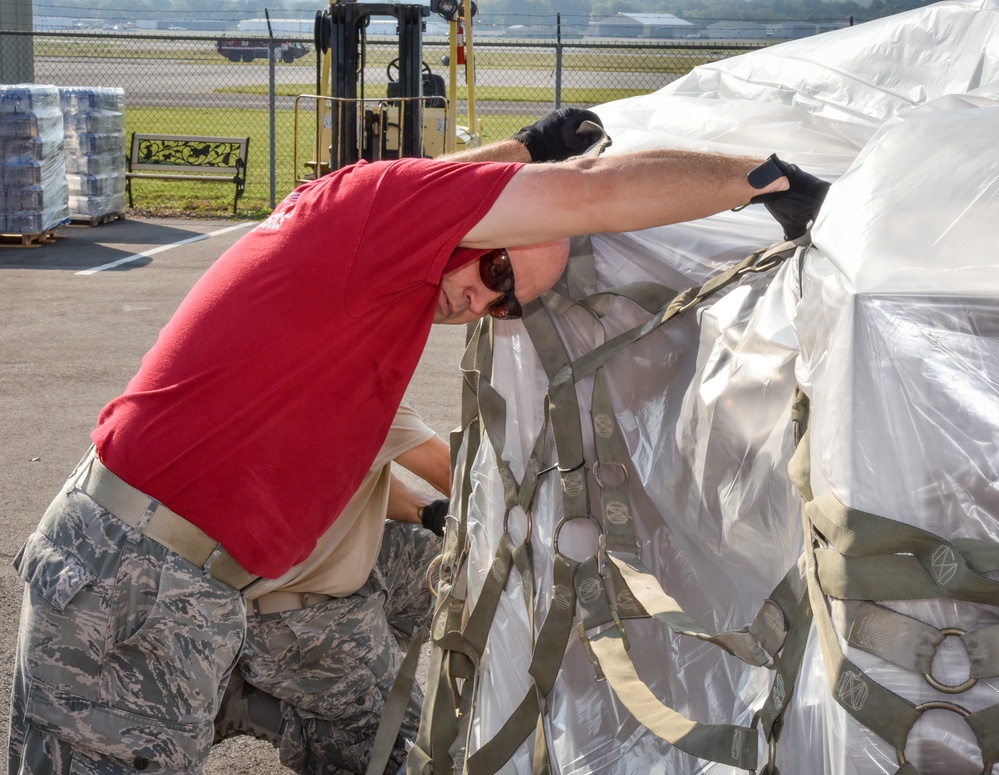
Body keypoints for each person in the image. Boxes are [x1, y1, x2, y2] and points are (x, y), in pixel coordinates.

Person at [8, 101, 829, 774]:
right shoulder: (368, 222)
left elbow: (455, 192)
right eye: (496, 272)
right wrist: (759, 181)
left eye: (506, 304)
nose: (480, 302)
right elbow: (590, 193)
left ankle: (268, 700)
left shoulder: (374, 280)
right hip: (134, 575)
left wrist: (525, 145)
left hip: (205, 587)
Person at [213, 399, 451, 775]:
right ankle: (266, 708)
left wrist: (429, 512)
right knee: (424, 757)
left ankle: (352, 685)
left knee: (439, 553)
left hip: (305, 585)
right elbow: (463, 477)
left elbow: (355, 473)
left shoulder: (303, 374)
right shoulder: (364, 391)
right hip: (294, 621)